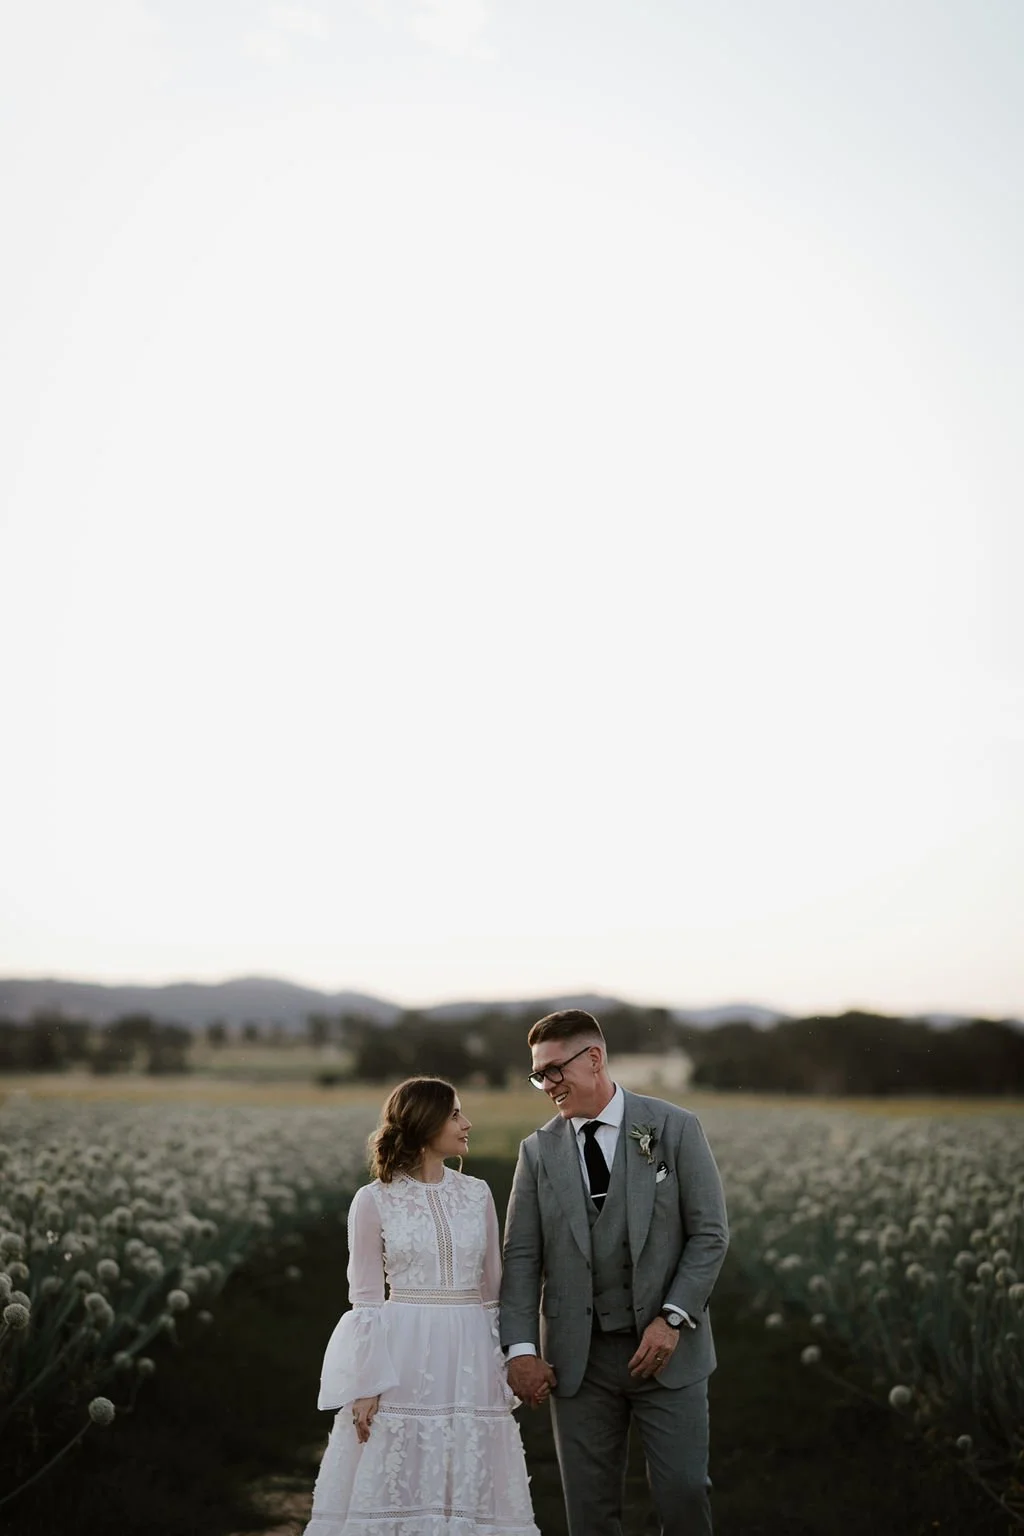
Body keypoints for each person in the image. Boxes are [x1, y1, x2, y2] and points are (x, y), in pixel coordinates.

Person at [500, 1009, 729, 1536]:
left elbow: (710, 1234)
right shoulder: (536, 1152)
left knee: (684, 1494)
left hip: (668, 1351)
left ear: (594, 1058)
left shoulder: (674, 1127)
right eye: (540, 1075)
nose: (547, 1085)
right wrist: (521, 1349)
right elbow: (520, 1257)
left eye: (555, 1070)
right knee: (589, 1509)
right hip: (578, 1359)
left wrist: (671, 1319)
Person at [304, 1077, 539, 1536]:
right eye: (455, 1114)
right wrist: (367, 1384)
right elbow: (366, 1300)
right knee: (398, 1463)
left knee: (466, 1463)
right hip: (403, 1352)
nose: (466, 1123)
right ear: (425, 1122)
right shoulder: (373, 1200)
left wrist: (508, 1361)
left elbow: (494, 1293)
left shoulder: (478, 1194)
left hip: (470, 1350)